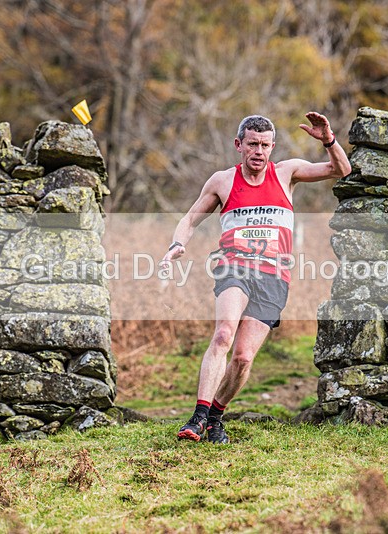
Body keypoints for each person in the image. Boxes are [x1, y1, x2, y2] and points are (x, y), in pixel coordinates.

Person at [161, 112, 351, 443]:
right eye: (252, 144)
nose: (258, 151)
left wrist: (328, 140)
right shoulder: (222, 181)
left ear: (272, 146)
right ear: (239, 145)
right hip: (234, 267)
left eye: (264, 145)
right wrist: (177, 244)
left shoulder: (286, 173)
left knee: (243, 358)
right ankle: (197, 417)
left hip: (273, 277)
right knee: (223, 334)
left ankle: (216, 417)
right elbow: (190, 219)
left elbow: (341, 170)